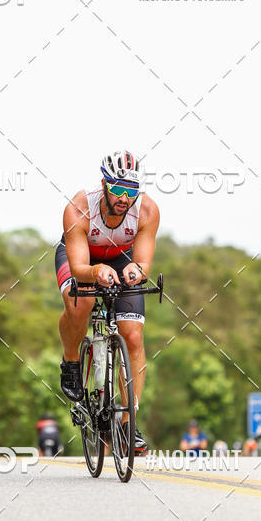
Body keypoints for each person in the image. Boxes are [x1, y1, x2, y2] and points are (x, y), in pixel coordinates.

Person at [56, 151, 160, 454]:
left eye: (131, 191)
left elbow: (143, 264)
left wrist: (135, 271)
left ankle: (128, 424)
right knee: (81, 304)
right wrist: (95, 271)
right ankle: (71, 360)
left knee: (133, 335)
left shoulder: (148, 210)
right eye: (117, 189)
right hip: (82, 259)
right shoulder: (79, 208)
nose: (124, 198)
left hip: (121, 258)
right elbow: (79, 268)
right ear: (104, 183)